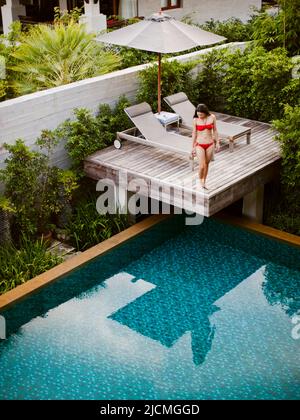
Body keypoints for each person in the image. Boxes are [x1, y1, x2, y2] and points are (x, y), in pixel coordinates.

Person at [191, 104, 220, 189]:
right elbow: (194, 133)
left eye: (201, 114)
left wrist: (217, 142)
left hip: (210, 144)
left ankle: (204, 181)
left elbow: (215, 130)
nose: (199, 116)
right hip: (199, 144)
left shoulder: (212, 117)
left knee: (207, 164)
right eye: (198, 114)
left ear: (205, 112)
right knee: (202, 165)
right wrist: (193, 147)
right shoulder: (195, 119)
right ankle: (200, 181)